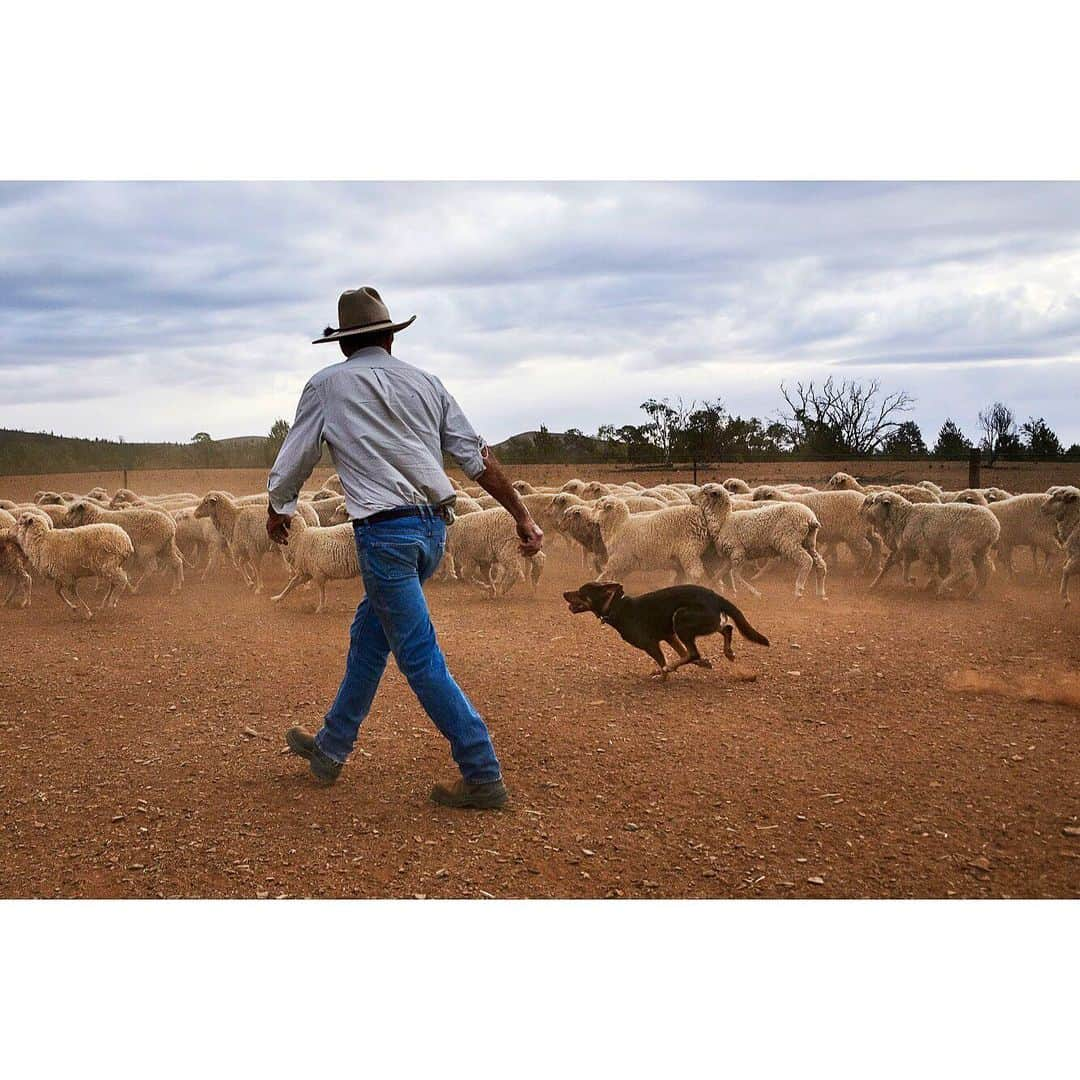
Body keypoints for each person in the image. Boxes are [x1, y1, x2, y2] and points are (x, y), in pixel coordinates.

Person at [266, 286, 543, 809]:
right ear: (391, 337)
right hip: (435, 531)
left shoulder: (327, 386)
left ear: (344, 345)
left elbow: (297, 455)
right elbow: (476, 456)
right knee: (370, 637)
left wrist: (278, 507)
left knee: (418, 656)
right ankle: (330, 747)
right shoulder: (427, 382)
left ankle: (482, 770)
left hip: (384, 536)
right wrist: (521, 515)